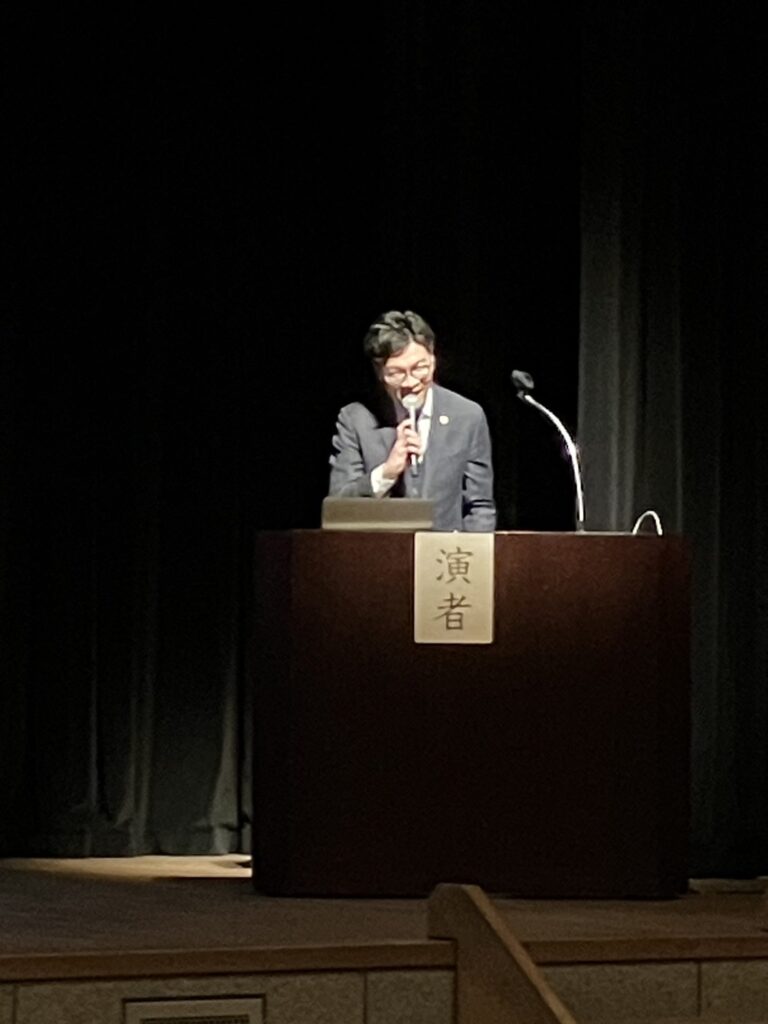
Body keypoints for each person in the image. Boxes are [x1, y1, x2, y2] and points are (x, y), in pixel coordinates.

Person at [328, 310, 496, 531]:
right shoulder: (356, 419)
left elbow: (480, 506)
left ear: (433, 359)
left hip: (443, 549)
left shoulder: (467, 416)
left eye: (419, 368)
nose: (411, 382)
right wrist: (386, 473)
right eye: (396, 373)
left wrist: (473, 550)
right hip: (381, 547)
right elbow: (338, 507)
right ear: (379, 372)